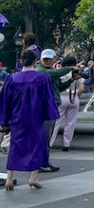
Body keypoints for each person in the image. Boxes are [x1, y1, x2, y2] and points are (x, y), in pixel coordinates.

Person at [1, 50, 59, 190]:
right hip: (35, 116)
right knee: (37, 145)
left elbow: (5, 101)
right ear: (35, 62)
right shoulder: (42, 78)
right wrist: (48, 115)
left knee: (15, 145)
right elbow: (48, 99)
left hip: (17, 117)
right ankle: (33, 178)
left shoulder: (12, 79)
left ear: (21, 62)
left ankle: (9, 178)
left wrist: (5, 118)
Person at [50, 56, 84, 151]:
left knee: (56, 122)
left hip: (61, 97)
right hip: (74, 98)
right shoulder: (77, 74)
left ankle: (50, 142)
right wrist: (76, 96)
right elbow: (81, 89)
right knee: (70, 123)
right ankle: (66, 144)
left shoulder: (61, 72)